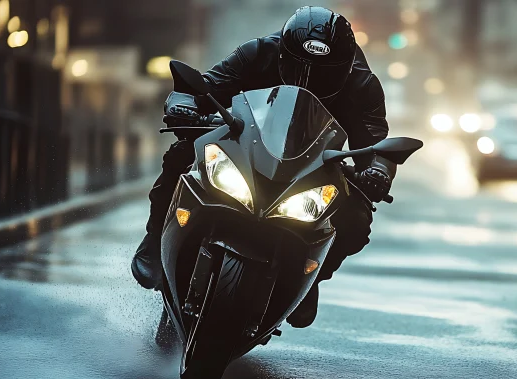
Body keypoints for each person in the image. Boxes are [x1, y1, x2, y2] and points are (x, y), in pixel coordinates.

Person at [131, 6, 393, 328]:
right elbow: (205, 86)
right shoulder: (259, 52)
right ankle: (154, 239)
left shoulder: (362, 85)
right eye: (299, 66)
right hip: (248, 147)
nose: (309, 78)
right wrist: (183, 105)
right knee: (182, 155)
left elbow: (377, 143)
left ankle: (311, 280)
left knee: (356, 218)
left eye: (324, 73)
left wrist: (379, 170)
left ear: (342, 68)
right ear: (284, 53)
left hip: (314, 168)